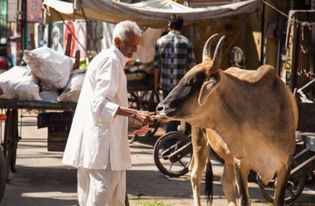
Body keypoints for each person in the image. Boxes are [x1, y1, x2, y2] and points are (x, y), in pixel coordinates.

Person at [62, 20, 152, 206]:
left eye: (136, 46)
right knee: (102, 194)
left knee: (108, 194)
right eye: (131, 45)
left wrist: (130, 126)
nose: (134, 50)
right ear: (117, 42)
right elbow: (100, 103)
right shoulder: (110, 62)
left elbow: (109, 106)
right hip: (102, 147)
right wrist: (134, 114)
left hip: (104, 143)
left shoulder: (113, 61)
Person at [154, 14, 196, 133]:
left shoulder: (160, 41)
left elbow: (157, 65)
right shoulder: (186, 42)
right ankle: (172, 141)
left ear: (169, 25)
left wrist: (155, 83)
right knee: (178, 112)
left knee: (168, 112)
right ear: (181, 27)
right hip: (180, 85)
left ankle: (169, 143)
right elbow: (192, 66)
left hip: (165, 84)